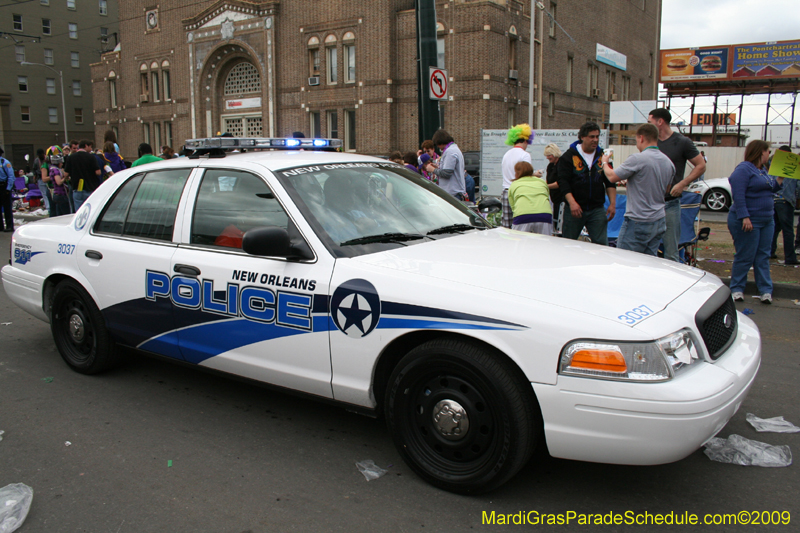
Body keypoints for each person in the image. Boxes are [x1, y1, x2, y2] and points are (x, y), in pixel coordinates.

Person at [600, 124, 674, 256]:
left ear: (641, 138)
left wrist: (605, 162)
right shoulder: (668, 162)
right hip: (659, 220)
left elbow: (611, 177)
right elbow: (665, 189)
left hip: (638, 220)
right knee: (648, 263)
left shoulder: (637, 158)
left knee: (625, 260)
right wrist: (634, 183)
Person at [728, 140, 783, 304]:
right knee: (745, 255)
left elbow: (770, 187)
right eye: (768, 151)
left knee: (763, 256)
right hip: (748, 220)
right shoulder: (744, 169)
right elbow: (738, 194)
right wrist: (744, 216)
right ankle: (736, 288)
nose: (769, 154)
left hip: (766, 219)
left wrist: (780, 178)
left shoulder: (763, 171)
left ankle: (765, 290)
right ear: (760, 152)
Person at [648, 108, 706, 262]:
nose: (647, 125)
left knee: (671, 250)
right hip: (650, 203)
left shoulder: (682, 142)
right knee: (648, 249)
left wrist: (682, 183)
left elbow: (701, 165)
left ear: (660, 122)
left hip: (670, 203)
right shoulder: (650, 141)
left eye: (650, 122)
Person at [556, 122, 616, 245]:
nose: (595, 140)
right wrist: (572, 203)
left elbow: (610, 181)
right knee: (569, 244)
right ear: (582, 137)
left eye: (597, 137)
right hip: (575, 208)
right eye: (591, 137)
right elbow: (563, 182)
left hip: (597, 208)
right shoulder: (569, 156)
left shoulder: (603, 157)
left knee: (601, 244)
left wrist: (613, 204)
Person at [500, 124, 533, 228]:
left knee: (507, 226)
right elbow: (526, 175)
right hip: (519, 192)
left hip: (506, 191)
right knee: (520, 226)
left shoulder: (506, 154)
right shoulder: (525, 155)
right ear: (525, 140)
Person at [769, 146, 798, 265]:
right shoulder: (794, 167)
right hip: (786, 200)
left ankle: (770, 252)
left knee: (774, 228)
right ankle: (790, 257)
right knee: (788, 231)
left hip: (772, 200)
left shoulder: (773, 165)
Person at [508, 161, 552, 235]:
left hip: (522, 215)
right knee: (545, 244)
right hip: (544, 215)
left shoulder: (514, 184)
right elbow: (546, 196)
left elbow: (513, 205)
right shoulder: (542, 182)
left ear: (517, 173)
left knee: (518, 243)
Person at [424, 129, 467, 200]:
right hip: (454, 193)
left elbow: (446, 173)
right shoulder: (454, 149)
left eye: (437, 145)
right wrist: (438, 167)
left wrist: (433, 170)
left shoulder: (450, 152)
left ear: (440, 142)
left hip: (452, 194)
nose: (438, 147)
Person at [64, 140, 101, 212]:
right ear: (86, 146)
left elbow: (66, 174)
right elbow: (98, 172)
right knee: (90, 211)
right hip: (90, 188)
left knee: (79, 212)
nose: (91, 149)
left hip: (77, 188)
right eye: (90, 147)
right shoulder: (91, 157)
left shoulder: (71, 157)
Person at [543, 143, 562, 231]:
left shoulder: (562, 164)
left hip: (561, 197)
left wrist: (545, 186)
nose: (547, 157)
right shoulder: (550, 166)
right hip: (552, 198)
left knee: (559, 220)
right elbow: (548, 180)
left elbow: (559, 183)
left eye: (549, 155)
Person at [47, 150, 71, 217]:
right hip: (61, 194)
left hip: (57, 194)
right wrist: (65, 177)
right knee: (65, 214)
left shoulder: (52, 169)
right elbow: (59, 182)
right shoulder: (55, 170)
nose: (62, 164)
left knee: (59, 214)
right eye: (61, 162)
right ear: (58, 162)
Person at [32, 148, 52, 215]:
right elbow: (34, 170)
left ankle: (50, 207)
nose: (40, 156)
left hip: (48, 178)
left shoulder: (47, 160)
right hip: (40, 179)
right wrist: (35, 178)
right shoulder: (37, 161)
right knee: (44, 194)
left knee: (49, 193)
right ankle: (48, 208)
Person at [0, 147, 15, 232]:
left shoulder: (5, 163)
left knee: (7, 207)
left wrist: (8, 188)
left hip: (4, 186)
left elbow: (11, 176)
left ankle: (9, 226)